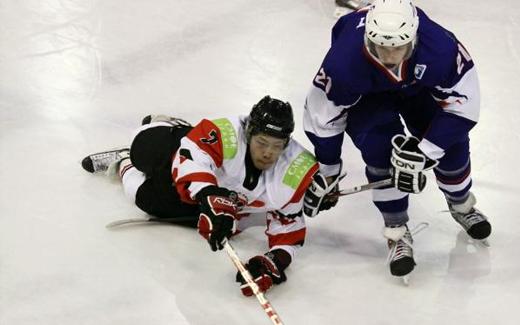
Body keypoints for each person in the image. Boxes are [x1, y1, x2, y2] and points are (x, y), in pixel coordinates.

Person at [302, 0, 492, 279]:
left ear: (414, 39)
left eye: (398, 48)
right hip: (368, 98)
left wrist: (426, 152)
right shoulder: (344, 63)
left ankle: (462, 204)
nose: (390, 56)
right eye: (382, 48)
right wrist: (329, 169)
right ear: (368, 39)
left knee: (451, 146)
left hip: (419, 89)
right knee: (381, 151)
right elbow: (322, 117)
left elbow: (464, 104)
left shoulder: (440, 48)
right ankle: (397, 232)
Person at [81, 96, 318, 296]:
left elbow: (289, 230)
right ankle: (170, 126)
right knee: (140, 146)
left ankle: (122, 162)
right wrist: (210, 194)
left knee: (142, 198)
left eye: (277, 146)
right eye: (262, 142)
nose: (268, 153)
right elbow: (191, 157)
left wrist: (274, 261)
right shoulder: (227, 132)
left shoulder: (294, 169)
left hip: (208, 206)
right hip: (189, 165)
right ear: (249, 132)